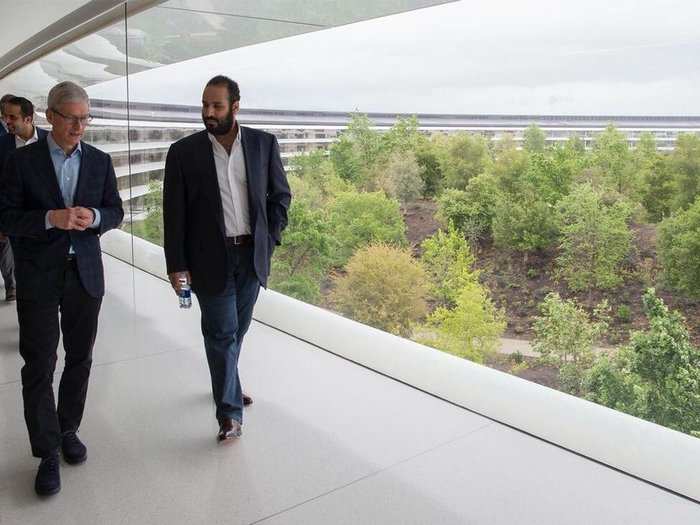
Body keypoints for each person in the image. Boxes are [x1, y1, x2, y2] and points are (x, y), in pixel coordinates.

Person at [0, 81, 124, 496]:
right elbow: (7, 218)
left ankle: (68, 428)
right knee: (39, 364)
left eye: (84, 118)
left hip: (84, 273)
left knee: (80, 358)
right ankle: (47, 451)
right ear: (50, 115)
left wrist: (95, 216)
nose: (78, 125)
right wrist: (50, 218)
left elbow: (116, 211)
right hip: (37, 274)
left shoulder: (100, 161)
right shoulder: (21, 163)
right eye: (71, 117)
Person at [163, 75, 291, 442]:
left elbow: (280, 197)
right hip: (207, 260)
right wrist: (177, 266)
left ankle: (227, 383)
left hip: (251, 256)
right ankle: (229, 414)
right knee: (220, 333)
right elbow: (175, 215)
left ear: (235, 106)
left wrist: (271, 237)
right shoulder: (183, 152)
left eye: (216, 105)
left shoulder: (263, 144)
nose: (208, 112)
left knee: (237, 330)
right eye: (204, 105)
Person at [0, 96, 50, 302]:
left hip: (44, 216)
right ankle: (16, 289)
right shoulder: (1, 145)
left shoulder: (50, 140)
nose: (7, 121)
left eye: (12, 117)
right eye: (4, 117)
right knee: (15, 258)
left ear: (29, 119)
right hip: (13, 215)